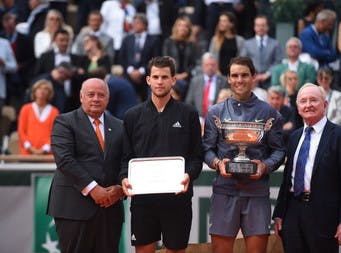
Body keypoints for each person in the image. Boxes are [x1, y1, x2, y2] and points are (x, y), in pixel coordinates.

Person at [203, 56, 285, 253]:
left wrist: (265, 166)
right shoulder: (216, 112)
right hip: (224, 191)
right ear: (229, 79)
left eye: (244, 75)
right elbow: (206, 149)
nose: (239, 80)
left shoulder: (269, 113)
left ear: (254, 77)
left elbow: (279, 150)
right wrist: (217, 163)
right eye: (235, 76)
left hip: (257, 192)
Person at [120, 56, 203, 253]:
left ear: (174, 80)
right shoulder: (132, 115)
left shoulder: (189, 113)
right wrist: (124, 177)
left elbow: (196, 157)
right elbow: (126, 157)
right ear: (148, 79)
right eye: (155, 77)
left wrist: (188, 175)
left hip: (177, 199)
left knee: (175, 250)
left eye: (164, 77)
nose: (159, 81)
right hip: (143, 200)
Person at [273, 83, 341, 253]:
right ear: (297, 108)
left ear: (325, 105)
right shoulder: (294, 137)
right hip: (292, 215)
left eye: (314, 100)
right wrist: (279, 213)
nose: (308, 105)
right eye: (303, 101)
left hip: (324, 216)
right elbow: (286, 180)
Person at [46, 78, 125, 253]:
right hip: (74, 209)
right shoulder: (64, 122)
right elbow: (65, 160)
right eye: (91, 94)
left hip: (110, 211)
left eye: (101, 95)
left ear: (108, 99)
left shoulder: (120, 126)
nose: (96, 98)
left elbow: (126, 161)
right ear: (81, 97)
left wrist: (120, 188)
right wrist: (93, 188)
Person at [240, 15, 282, 89]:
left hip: (270, 81)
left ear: (267, 27)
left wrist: (267, 74)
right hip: (252, 81)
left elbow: (278, 62)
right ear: (254, 27)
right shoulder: (247, 44)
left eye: (263, 25)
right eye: (258, 25)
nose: (260, 28)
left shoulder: (275, 43)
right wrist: (252, 74)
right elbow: (243, 62)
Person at [18, 79, 59, 155]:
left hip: (47, 154)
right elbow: (21, 131)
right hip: (27, 153)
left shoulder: (54, 111)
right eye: (39, 88)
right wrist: (30, 148)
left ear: (49, 93)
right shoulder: (25, 109)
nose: (42, 91)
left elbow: (55, 133)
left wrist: (44, 149)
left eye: (45, 89)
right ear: (34, 91)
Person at [162, 16, 197, 98]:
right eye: (180, 25)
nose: (183, 28)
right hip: (171, 76)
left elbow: (194, 63)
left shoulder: (192, 44)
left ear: (189, 29)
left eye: (185, 26)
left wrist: (185, 74)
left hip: (187, 77)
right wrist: (175, 75)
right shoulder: (168, 42)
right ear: (176, 28)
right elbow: (165, 61)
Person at [185, 52, 228, 118]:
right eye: (207, 65)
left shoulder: (224, 81)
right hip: (198, 118)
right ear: (202, 66)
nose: (210, 67)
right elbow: (189, 102)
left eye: (212, 65)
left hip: (217, 118)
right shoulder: (195, 81)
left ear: (217, 66)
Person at [208, 11, 245, 76]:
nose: (220, 23)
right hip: (218, 74)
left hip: (234, 75)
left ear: (232, 24)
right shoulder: (215, 39)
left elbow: (242, 59)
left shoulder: (240, 40)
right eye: (220, 21)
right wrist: (217, 71)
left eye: (224, 21)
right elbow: (212, 57)